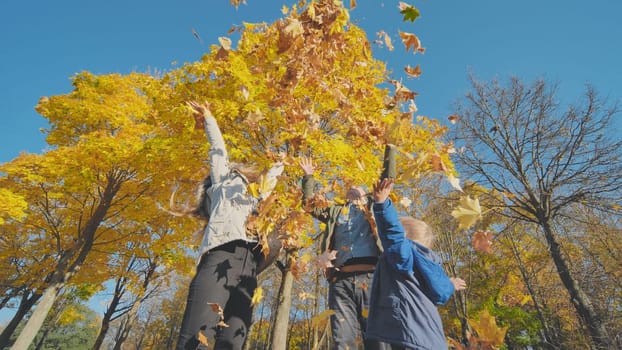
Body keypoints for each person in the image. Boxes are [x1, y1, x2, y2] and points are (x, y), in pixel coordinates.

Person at [175, 101, 284, 350]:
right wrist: (210, 118)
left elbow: (273, 177)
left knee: (232, 342)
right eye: (239, 169)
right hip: (221, 256)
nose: (244, 171)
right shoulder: (223, 183)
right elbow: (218, 150)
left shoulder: (255, 195)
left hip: (249, 269)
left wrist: (287, 156)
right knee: (197, 338)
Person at [298, 145, 395, 350]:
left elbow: (387, 180)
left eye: (359, 186)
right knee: (343, 340)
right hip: (341, 281)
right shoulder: (335, 211)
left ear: (366, 191)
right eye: (350, 186)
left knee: (378, 339)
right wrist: (308, 177)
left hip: (370, 280)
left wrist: (390, 148)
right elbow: (309, 205)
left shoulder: (372, 206)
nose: (353, 187)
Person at [366, 178, 467, 350]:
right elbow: (441, 290)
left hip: (409, 334)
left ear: (404, 234)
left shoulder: (402, 256)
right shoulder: (430, 266)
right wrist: (451, 284)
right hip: (431, 340)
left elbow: (394, 236)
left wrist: (382, 204)